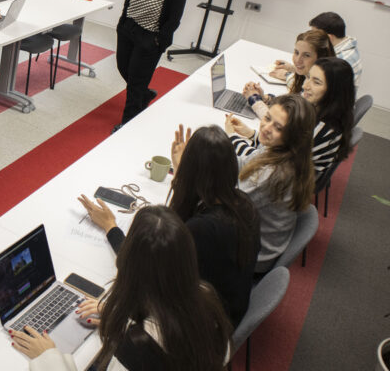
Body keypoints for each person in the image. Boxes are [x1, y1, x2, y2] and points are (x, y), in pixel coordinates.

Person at [79, 125, 260, 328]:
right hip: (228, 306)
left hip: (202, 327)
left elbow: (140, 264)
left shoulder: (201, 229)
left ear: (192, 172)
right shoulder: (244, 204)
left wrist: (110, 226)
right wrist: (183, 174)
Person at [12, 206, 232, 371]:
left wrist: (48, 358)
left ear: (130, 264)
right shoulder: (207, 296)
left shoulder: (137, 349)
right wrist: (121, 317)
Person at [225, 94, 316, 273]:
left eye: (278, 127)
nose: (266, 128)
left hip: (252, 257)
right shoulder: (288, 152)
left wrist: (189, 168)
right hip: (260, 241)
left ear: (293, 136)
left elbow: (225, 203)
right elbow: (246, 163)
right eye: (267, 118)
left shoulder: (274, 173)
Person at [114, 0, 188, 132]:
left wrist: (158, 42)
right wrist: (122, 21)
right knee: (123, 68)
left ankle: (127, 125)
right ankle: (144, 95)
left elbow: (174, 21)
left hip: (150, 38)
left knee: (136, 82)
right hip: (128, 27)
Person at [234, 57, 354, 181]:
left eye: (316, 82)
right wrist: (251, 134)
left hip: (277, 181)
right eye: (308, 77)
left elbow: (261, 163)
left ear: (333, 91)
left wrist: (232, 138)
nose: (305, 86)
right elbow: (278, 146)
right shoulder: (323, 110)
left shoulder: (318, 128)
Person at [244, 28, 334, 119]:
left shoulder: (318, 90)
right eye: (296, 52)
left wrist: (254, 99)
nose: (298, 60)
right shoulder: (306, 77)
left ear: (321, 58)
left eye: (306, 55)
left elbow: (281, 125)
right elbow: (291, 107)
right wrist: (265, 98)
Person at [274, 12, 361, 88]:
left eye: (315, 34)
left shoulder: (339, 62)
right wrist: (293, 68)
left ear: (328, 38)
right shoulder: (347, 46)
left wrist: (287, 75)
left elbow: (309, 88)